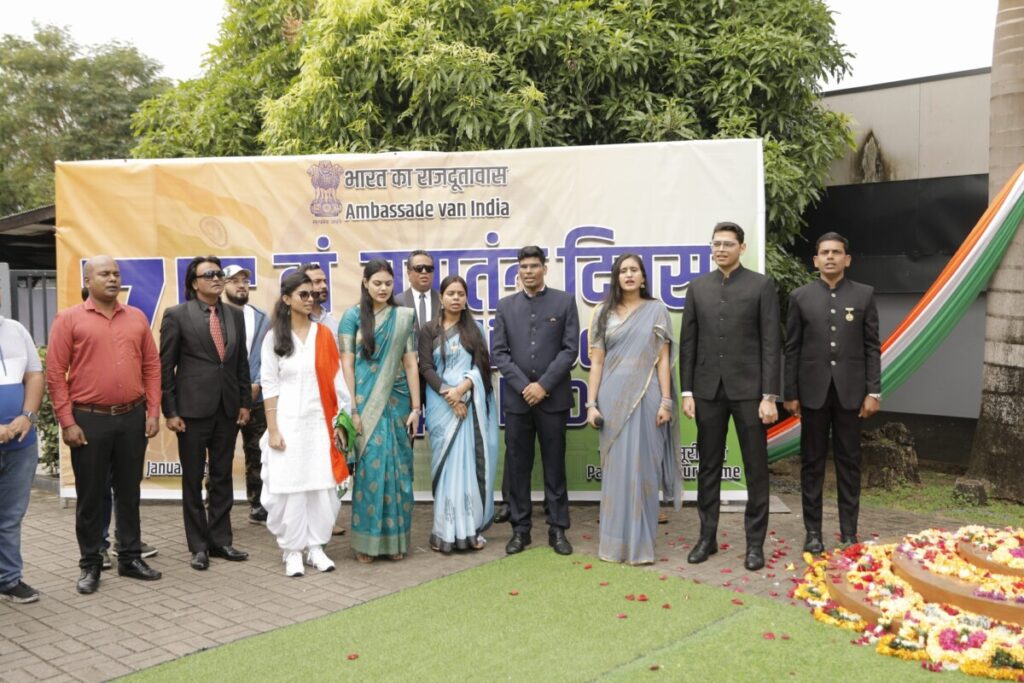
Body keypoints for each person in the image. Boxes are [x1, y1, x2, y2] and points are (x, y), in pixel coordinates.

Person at [46, 256, 162, 594]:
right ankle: (91, 564)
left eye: (116, 274)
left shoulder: (136, 317)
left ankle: (130, 557)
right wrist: (67, 421)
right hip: (88, 420)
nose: (113, 279)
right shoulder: (69, 319)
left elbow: (152, 366)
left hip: (131, 417)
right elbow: (55, 374)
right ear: (88, 280)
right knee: (91, 496)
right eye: (104, 274)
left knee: (129, 492)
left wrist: (153, 411)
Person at [680, 222, 781, 572]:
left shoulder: (761, 285)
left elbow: (771, 343)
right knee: (708, 466)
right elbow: (689, 343)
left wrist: (769, 395)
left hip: (750, 392)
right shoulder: (698, 287)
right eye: (716, 244)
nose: (721, 249)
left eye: (728, 244)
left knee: (756, 468)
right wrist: (687, 390)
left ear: (742, 247)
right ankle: (706, 538)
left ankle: (755, 544)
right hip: (707, 391)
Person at [784, 232, 881, 554]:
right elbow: (792, 348)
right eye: (824, 252)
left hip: (851, 393)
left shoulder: (864, 295)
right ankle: (813, 532)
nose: (830, 257)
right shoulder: (800, 297)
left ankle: (849, 532)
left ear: (846, 259)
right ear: (815, 260)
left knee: (849, 463)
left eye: (836, 252)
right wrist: (790, 392)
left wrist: (874, 391)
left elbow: (872, 347)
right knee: (811, 463)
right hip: (812, 393)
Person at [586, 254, 683, 564]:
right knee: (616, 470)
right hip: (612, 397)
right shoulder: (603, 313)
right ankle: (614, 546)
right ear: (616, 277)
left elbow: (663, 360)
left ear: (643, 277)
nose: (628, 275)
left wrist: (666, 401)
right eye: (623, 271)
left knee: (644, 468)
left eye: (634, 270)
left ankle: (641, 546)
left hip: (648, 394)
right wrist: (591, 404)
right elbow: (597, 362)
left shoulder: (656, 310)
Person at [160, 256, 251, 571]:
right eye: (208, 274)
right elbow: (166, 367)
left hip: (227, 409)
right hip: (191, 412)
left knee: (222, 476)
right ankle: (198, 546)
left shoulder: (234, 314)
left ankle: (220, 540)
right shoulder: (177, 315)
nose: (216, 278)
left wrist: (244, 403)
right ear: (193, 282)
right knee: (193, 479)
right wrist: (170, 410)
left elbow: (240, 363)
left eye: (219, 273)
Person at [259, 272, 352, 577]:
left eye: (313, 294)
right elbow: (269, 385)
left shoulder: (323, 334)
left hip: (320, 422)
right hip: (287, 423)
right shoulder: (274, 337)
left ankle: (315, 547)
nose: (311, 299)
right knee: (292, 489)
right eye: (304, 294)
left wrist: (341, 421)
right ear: (287, 299)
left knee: (321, 487)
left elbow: (337, 382)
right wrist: (273, 429)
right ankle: (292, 551)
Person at [492, 246, 579, 556]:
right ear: (518, 271)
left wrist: (543, 385)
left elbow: (570, 350)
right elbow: (499, 353)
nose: (528, 271)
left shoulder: (564, 301)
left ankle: (558, 529)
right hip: (518, 402)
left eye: (534, 265)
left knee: (555, 466)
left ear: (544, 268)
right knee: (518, 467)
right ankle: (520, 530)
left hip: (552, 399)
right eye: (523, 266)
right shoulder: (505, 306)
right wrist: (524, 386)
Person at [339, 259, 421, 563]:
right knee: (370, 470)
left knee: (399, 471)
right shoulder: (351, 317)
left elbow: (410, 363)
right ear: (365, 283)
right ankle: (367, 544)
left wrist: (416, 407)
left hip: (397, 401)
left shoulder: (403, 317)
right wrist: (353, 408)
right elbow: (347, 365)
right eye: (377, 283)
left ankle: (395, 542)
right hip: (365, 402)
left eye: (388, 283)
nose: (383, 288)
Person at [418, 275, 498, 553]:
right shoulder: (428, 330)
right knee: (447, 468)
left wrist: (462, 389)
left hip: (468, 405)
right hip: (441, 406)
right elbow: (425, 367)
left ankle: (468, 529)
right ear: (441, 297)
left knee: (467, 467)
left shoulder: (475, 330)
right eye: (450, 293)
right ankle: (443, 531)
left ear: (466, 299)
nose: (455, 298)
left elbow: (482, 367)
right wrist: (449, 396)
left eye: (460, 294)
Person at [0, 294, 44, 603]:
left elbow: (34, 375)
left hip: (20, 443)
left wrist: (27, 416)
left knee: (11, 516)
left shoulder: (16, 329)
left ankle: (8, 579)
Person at [223, 264, 271, 525]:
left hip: (258, 398)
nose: (241, 285)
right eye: (234, 280)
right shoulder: (214, 316)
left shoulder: (262, 317)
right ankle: (217, 509)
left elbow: (271, 355)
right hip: (224, 399)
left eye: (244, 280)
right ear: (223, 285)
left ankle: (258, 505)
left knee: (258, 453)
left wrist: (258, 383)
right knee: (221, 454)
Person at [397, 250, 441, 329]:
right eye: (419, 268)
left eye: (429, 268)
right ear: (409, 273)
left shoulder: (442, 300)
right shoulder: (397, 302)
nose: (424, 272)